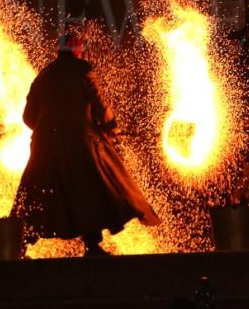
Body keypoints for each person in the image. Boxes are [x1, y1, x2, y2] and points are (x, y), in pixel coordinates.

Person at [11, 35, 159, 256]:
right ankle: (91, 244)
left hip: (45, 148)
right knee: (90, 190)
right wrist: (111, 126)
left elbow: (28, 117)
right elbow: (99, 103)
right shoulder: (82, 71)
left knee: (37, 193)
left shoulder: (43, 77)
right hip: (81, 145)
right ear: (77, 51)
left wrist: (48, 134)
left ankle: (17, 242)